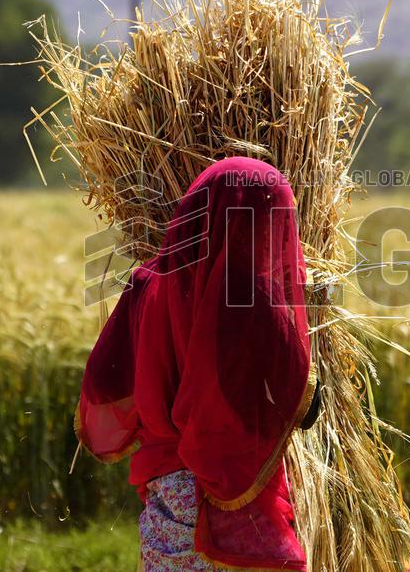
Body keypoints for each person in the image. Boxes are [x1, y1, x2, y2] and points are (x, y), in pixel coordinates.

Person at [74, 156, 322, 570]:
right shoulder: (252, 306)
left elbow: (104, 380)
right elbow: (298, 404)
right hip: (229, 503)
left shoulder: (147, 285)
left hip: (166, 493)